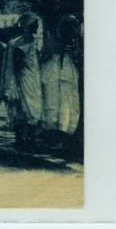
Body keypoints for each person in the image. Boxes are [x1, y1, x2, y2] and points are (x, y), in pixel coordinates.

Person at [0, 12, 44, 149]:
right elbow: (17, 65)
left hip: (33, 78)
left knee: (33, 109)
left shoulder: (34, 41)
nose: (37, 27)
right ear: (28, 26)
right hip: (24, 80)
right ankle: (20, 140)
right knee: (24, 110)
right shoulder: (19, 43)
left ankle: (29, 140)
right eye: (34, 25)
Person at [40, 15, 82, 147]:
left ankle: (62, 137)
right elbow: (45, 57)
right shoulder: (54, 42)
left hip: (66, 77)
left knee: (66, 105)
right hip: (54, 75)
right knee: (54, 104)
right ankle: (54, 137)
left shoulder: (76, 44)